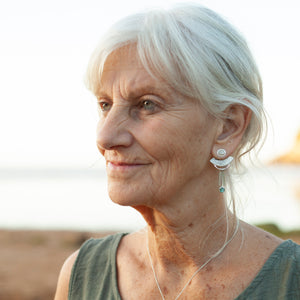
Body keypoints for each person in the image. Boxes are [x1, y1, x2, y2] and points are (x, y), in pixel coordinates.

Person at [54, 4, 300, 300]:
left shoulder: (290, 282)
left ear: (228, 127)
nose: (105, 136)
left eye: (146, 104)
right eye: (105, 105)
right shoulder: (81, 277)